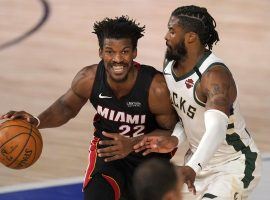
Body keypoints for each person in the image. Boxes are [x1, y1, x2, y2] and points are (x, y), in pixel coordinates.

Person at [0, 16, 177, 200]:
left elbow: (171, 131)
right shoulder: (89, 79)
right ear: (100, 52)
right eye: (110, 51)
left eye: (124, 52)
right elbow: (66, 107)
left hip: (148, 161)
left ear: (134, 52)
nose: (117, 59)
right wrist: (36, 121)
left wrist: (131, 143)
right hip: (107, 156)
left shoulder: (155, 88)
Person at [134, 5, 261, 199]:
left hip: (233, 164)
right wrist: (176, 138)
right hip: (197, 162)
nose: (166, 36)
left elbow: (216, 129)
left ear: (190, 37)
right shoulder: (170, 65)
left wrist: (192, 167)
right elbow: (189, 116)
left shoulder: (215, 76)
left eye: (172, 31)